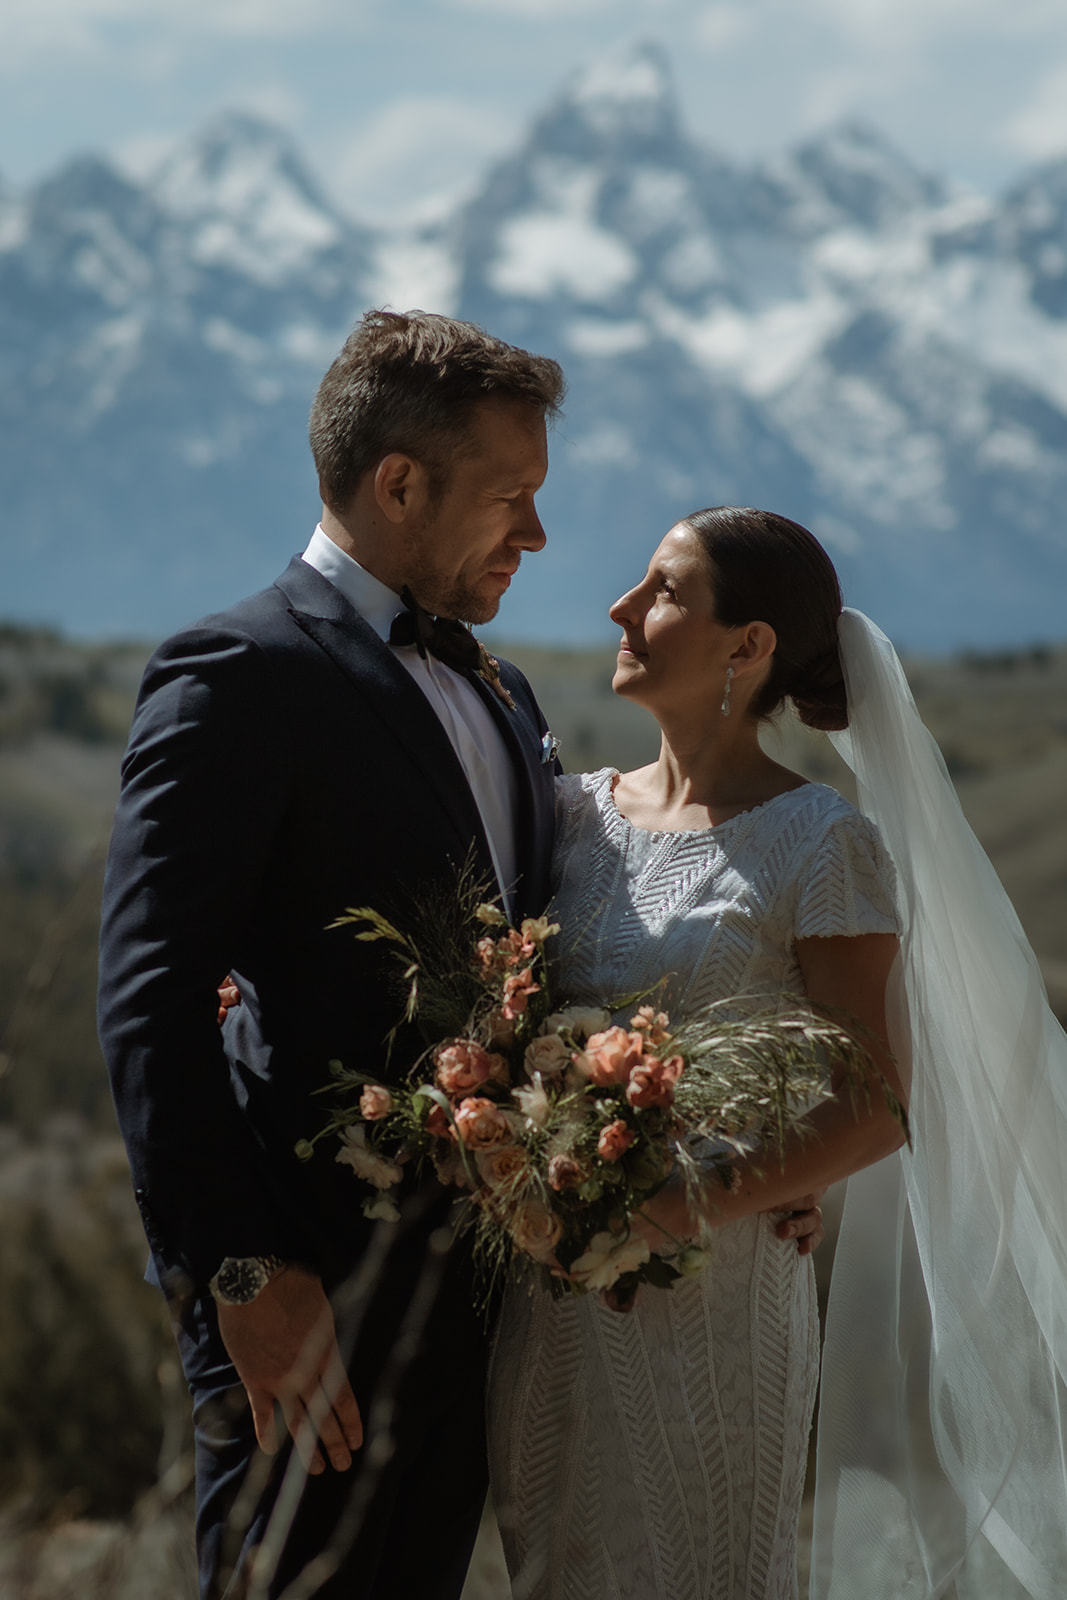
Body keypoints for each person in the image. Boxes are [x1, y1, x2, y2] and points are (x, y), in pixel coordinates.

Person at [97, 308, 567, 1600]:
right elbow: (148, 1005)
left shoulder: (505, 694)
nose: (536, 536)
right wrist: (240, 1275)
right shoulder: (235, 673)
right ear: (398, 484)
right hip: (308, 1316)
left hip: (481, 1324)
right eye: (511, 499)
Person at [487, 506, 910, 1600]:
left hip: (714, 1305)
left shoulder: (821, 842)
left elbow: (873, 1105)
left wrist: (682, 1205)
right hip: (551, 1300)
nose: (622, 608)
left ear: (747, 645)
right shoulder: (568, 815)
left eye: (663, 591)